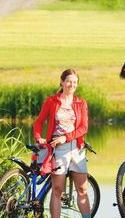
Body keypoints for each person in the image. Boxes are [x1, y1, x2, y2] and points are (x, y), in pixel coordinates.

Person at [33, 69, 91, 218]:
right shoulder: (51, 102)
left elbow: (83, 128)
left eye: (74, 82)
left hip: (77, 148)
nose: (72, 84)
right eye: (69, 81)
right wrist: (39, 138)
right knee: (57, 189)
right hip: (58, 149)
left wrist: (66, 137)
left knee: (82, 189)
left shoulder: (81, 103)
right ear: (62, 82)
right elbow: (39, 122)